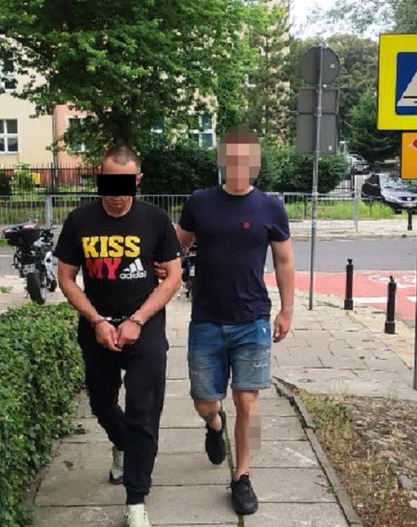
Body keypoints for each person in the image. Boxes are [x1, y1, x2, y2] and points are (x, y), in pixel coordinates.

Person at [161, 127, 295, 515]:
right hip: (206, 318)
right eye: (232, 158)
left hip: (253, 319)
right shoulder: (200, 202)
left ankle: (243, 475)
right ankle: (214, 425)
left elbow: (284, 260)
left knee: (248, 401)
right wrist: (160, 265)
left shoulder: (270, 207)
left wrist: (287, 310)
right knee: (204, 400)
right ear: (222, 161)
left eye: (246, 159)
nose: (239, 165)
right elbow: (178, 246)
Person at [54, 145, 182, 527]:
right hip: (97, 328)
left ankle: (136, 499)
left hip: (144, 328)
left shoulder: (155, 220)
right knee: (101, 403)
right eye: (109, 183)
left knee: (144, 411)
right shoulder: (79, 220)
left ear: (138, 181)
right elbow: (66, 278)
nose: (115, 193)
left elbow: (173, 277)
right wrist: (96, 320)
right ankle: (124, 445)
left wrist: (137, 320)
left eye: (124, 184)